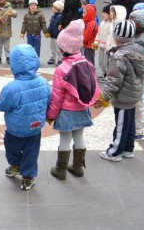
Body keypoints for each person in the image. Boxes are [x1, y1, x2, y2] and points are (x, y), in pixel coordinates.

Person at [0, 44, 51, 190]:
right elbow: (48, 102)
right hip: (35, 128)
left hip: (15, 129)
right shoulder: (44, 83)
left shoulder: (12, 88)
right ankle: (28, 176)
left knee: (11, 147)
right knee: (32, 151)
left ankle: (16, 164)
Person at [46, 19, 100, 180]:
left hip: (66, 112)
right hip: (82, 109)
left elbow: (56, 97)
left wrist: (51, 115)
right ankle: (78, 167)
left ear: (63, 48)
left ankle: (60, 169)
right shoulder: (87, 64)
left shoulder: (61, 69)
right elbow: (93, 86)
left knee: (65, 139)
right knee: (79, 137)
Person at [94, 20, 144, 161]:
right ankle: (128, 148)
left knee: (121, 125)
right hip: (133, 93)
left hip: (123, 97)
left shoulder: (119, 57)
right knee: (129, 123)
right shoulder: (138, 50)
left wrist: (103, 99)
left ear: (117, 37)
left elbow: (113, 81)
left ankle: (115, 152)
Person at [129, 10, 144, 141]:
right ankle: (136, 128)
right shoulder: (138, 36)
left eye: (134, 20)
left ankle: (139, 130)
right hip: (140, 73)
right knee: (138, 101)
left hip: (140, 74)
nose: (131, 22)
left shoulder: (140, 40)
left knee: (139, 102)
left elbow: (138, 63)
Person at [0, 0, 18, 64]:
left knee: (7, 46)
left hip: (7, 30)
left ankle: (8, 57)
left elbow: (15, 14)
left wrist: (12, 13)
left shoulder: (9, 7)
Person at [93, 5, 112, 82]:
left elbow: (110, 36)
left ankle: (107, 75)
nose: (102, 14)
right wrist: (96, 41)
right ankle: (104, 73)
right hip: (101, 46)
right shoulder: (102, 23)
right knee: (100, 61)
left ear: (110, 14)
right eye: (102, 12)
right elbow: (98, 33)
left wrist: (108, 45)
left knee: (106, 63)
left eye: (105, 13)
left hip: (107, 48)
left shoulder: (112, 25)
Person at [45, 0, 64, 65]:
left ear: (57, 8)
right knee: (52, 47)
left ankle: (60, 59)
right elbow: (51, 25)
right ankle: (53, 57)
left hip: (57, 35)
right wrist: (48, 32)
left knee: (58, 48)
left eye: (53, 7)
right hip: (52, 35)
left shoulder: (60, 17)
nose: (52, 8)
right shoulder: (53, 16)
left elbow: (61, 26)